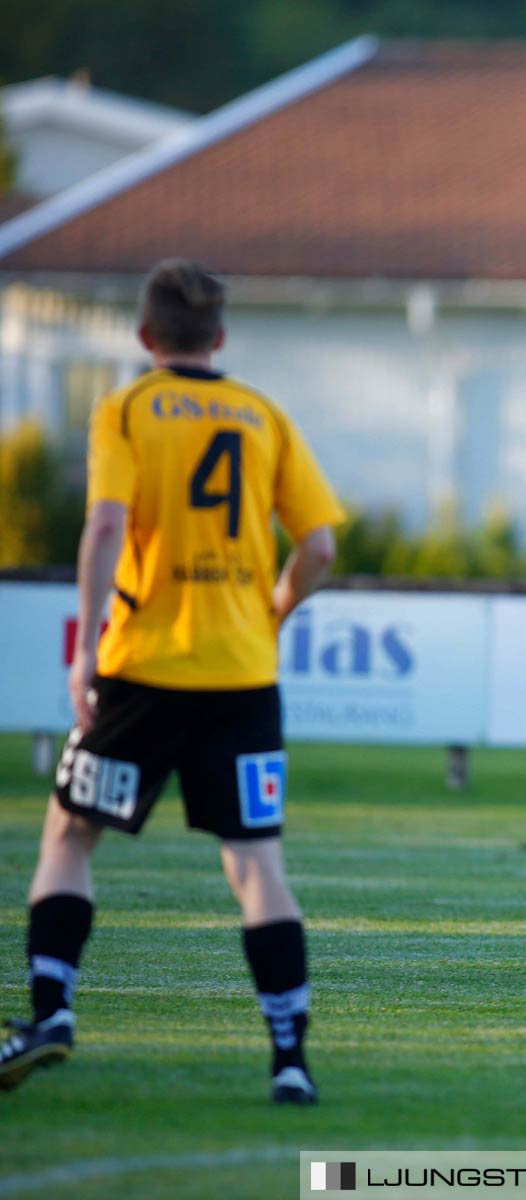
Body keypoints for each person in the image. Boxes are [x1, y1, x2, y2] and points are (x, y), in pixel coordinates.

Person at [0, 260, 344, 1104]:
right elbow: (322, 548)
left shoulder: (126, 409)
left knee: (71, 836)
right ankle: (289, 1058)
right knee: (257, 862)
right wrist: (273, 608)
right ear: (219, 338)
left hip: (143, 670)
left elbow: (108, 522)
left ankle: (51, 1010)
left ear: (145, 337)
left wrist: (85, 649)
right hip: (241, 675)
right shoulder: (262, 415)